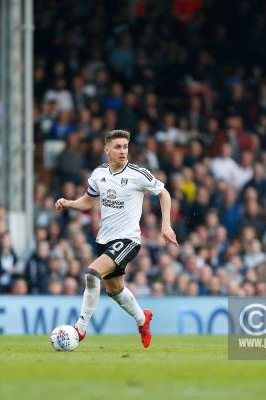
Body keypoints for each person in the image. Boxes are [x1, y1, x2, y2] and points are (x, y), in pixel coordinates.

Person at [55, 129, 178, 348]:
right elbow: (87, 201)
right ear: (107, 150)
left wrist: (165, 224)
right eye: (118, 147)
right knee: (115, 290)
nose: (123, 151)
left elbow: (164, 193)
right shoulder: (98, 174)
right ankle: (142, 319)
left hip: (128, 240)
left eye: (125, 147)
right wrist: (68, 203)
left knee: (92, 274)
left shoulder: (138, 174)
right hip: (104, 240)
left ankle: (80, 329)